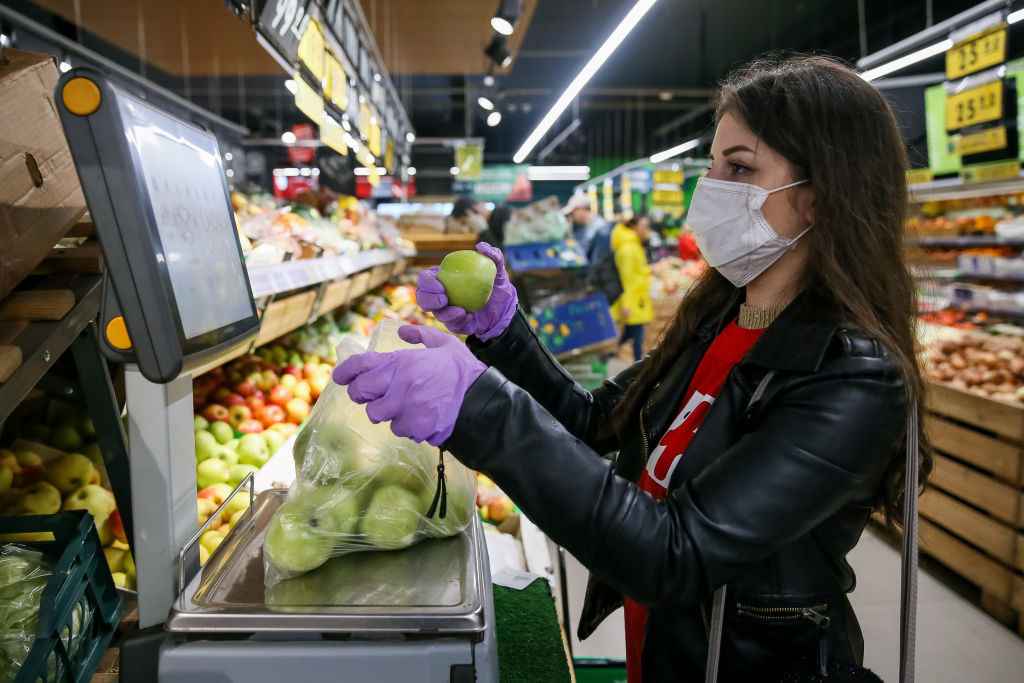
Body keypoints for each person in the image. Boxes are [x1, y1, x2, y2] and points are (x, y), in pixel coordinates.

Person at [334, 55, 930, 682]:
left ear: (819, 198)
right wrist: (503, 335)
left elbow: (676, 554)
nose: (713, 189)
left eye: (741, 168)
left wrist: (481, 407)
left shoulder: (852, 375)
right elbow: (597, 422)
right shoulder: (721, 320)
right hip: (668, 651)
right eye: (714, 166)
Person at [610, 214, 654, 361]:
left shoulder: (633, 245)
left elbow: (636, 272)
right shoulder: (628, 249)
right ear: (634, 227)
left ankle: (609, 352)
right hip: (633, 299)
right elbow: (625, 278)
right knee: (637, 336)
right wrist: (626, 304)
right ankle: (637, 366)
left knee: (631, 334)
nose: (647, 231)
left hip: (637, 298)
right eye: (644, 227)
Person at [565, 194, 612, 263]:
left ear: (581, 208)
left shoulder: (603, 230)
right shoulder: (583, 231)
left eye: (572, 212)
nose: (572, 216)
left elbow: (598, 262)